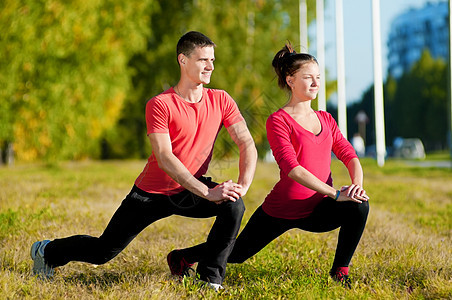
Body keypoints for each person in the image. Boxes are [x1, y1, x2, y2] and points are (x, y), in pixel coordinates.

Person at [30, 31, 258, 291]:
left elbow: (246, 143)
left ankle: (209, 280)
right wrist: (207, 191)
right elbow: (164, 157)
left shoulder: (221, 100)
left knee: (233, 206)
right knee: (103, 251)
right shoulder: (161, 104)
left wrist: (242, 186)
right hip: (152, 193)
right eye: (203, 60)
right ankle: (46, 251)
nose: (210, 66)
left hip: (190, 189)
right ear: (183, 61)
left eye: (213, 60)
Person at [171, 42, 370, 288]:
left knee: (359, 205)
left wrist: (355, 187)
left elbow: (349, 155)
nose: (316, 83)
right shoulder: (278, 121)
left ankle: (340, 272)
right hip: (283, 209)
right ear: (290, 80)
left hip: (318, 207)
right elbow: (292, 168)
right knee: (238, 253)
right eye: (308, 77)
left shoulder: (326, 119)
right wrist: (336, 193)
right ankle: (183, 257)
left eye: (318, 77)